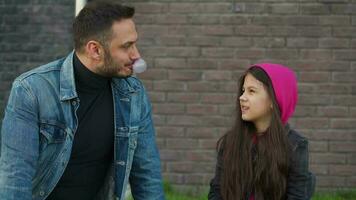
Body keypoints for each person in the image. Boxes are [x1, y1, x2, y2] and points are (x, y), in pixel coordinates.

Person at [0, 1, 164, 200]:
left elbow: (147, 173)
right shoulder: (31, 90)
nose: (136, 55)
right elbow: (15, 177)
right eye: (127, 46)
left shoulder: (133, 92)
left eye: (135, 43)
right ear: (95, 50)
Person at [208, 63, 315, 200]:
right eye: (243, 91)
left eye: (251, 91)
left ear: (274, 99)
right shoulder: (231, 142)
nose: (242, 97)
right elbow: (216, 192)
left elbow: (298, 196)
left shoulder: (295, 145)